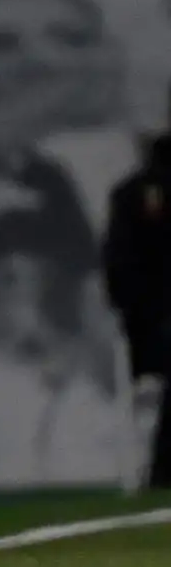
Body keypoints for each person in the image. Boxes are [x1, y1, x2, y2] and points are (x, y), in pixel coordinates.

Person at [102, 127, 171, 488]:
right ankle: (158, 470)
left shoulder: (129, 193)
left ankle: (156, 470)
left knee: (153, 393)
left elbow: (118, 262)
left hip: (148, 315)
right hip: (154, 314)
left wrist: (131, 310)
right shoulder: (136, 195)